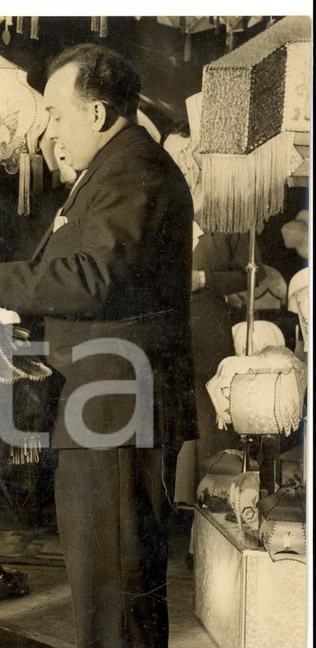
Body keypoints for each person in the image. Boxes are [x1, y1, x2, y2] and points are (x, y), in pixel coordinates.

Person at [0, 44, 196, 648]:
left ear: (97, 111)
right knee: (110, 613)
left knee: (114, 612)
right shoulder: (107, 174)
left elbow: (90, 279)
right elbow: (75, 275)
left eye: (57, 113)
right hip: (101, 413)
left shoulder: (134, 172)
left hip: (116, 416)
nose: (49, 129)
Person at [161, 122, 260, 503]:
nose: (182, 166)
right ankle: (172, 508)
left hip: (206, 326)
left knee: (206, 414)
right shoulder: (160, 207)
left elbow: (250, 273)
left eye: (188, 157)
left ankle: (207, 505)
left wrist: (203, 278)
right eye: (173, 157)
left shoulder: (228, 212)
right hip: (164, 323)